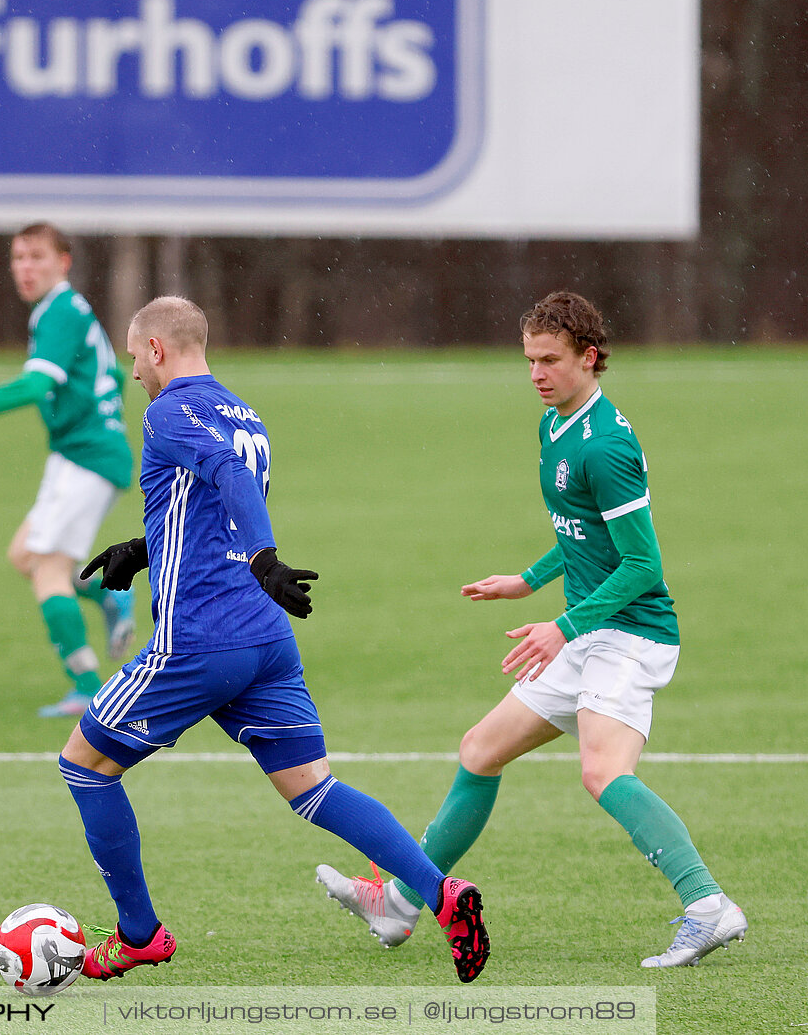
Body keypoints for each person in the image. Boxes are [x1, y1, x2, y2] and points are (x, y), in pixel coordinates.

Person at [59, 297, 489, 984]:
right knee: (313, 787)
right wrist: (144, 548)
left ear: (159, 350)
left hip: (199, 639)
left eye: (134, 355)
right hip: (265, 640)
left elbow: (228, 480)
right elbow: (210, 505)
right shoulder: (242, 411)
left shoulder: (168, 410)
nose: (132, 369)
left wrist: (264, 558)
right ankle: (442, 895)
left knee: (84, 764)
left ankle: (139, 933)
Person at [317, 291, 746, 969]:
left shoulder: (603, 444)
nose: (537, 373)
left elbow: (642, 562)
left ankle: (708, 906)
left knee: (603, 773)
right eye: (529, 361)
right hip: (586, 628)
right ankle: (402, 902)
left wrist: (562, 625)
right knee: (481, 749)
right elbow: (581, 534)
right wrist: (527, 579)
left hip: (629, 634)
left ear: (590, 357)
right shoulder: (555, 427)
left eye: (551, 360)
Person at [0, 223, 138, 718]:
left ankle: (87, 687)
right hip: (77, 456)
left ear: (64, 262)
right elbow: (115, 375)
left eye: (36, 256)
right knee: (23, 555)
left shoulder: (59, 310)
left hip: (87, 459)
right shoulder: (63, 310)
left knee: (47, 570)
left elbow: (33, 388)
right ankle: (113, 597)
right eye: (17, 258)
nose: (25, 267)